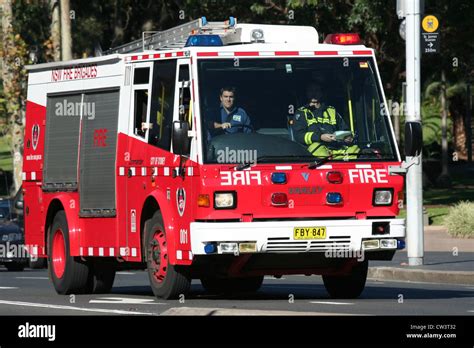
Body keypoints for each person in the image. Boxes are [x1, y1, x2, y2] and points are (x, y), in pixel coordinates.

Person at [293, 84, 359, 158]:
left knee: (354, 149)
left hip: (336, 149)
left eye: (317, 90)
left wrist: (347, 137)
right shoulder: (301, 112)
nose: (314, 93)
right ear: (306, 93)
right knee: (316, 148)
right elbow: (299, 136)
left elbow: (344, 130)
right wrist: (320, 137)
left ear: (321, 93)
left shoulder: (332, 110)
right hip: (316, 151)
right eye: (311, 90)